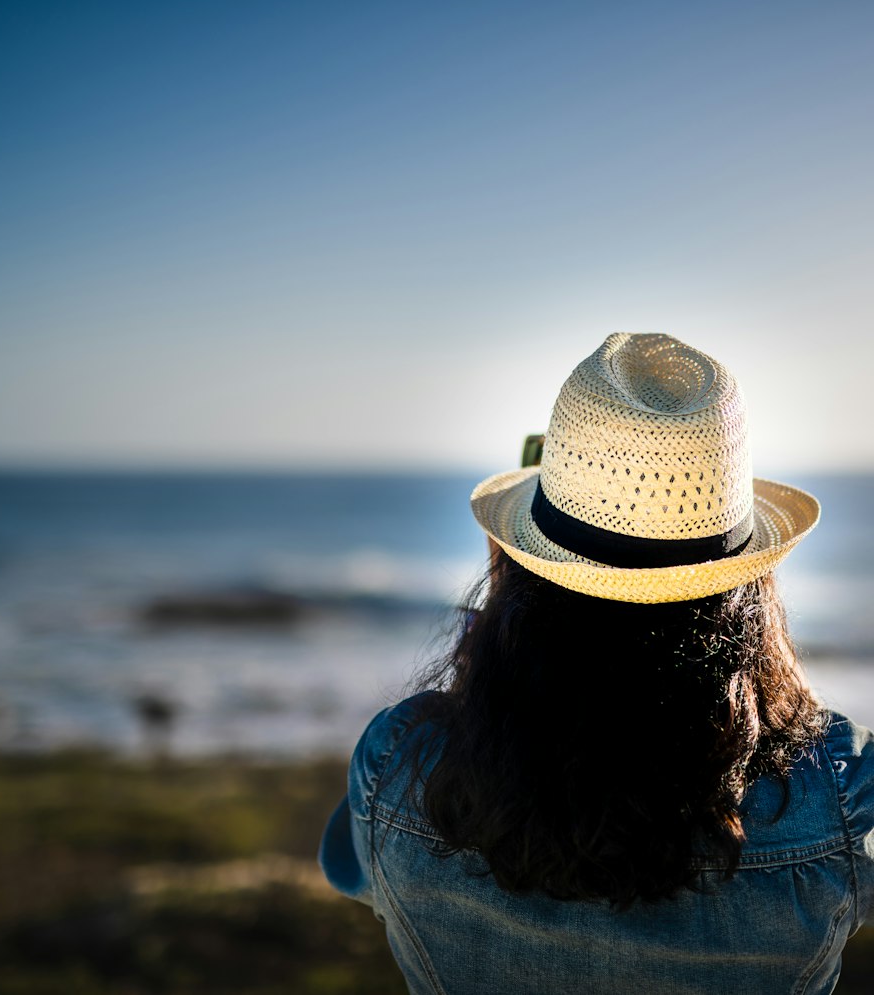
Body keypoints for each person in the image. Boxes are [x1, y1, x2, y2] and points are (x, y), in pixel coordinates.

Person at [319, 333, 874, 994]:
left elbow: (348, 866)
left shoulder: (398, 765)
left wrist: (489, 666)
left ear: (524, 570)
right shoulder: (840, 790)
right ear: (744, 586)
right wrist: (778, 681)